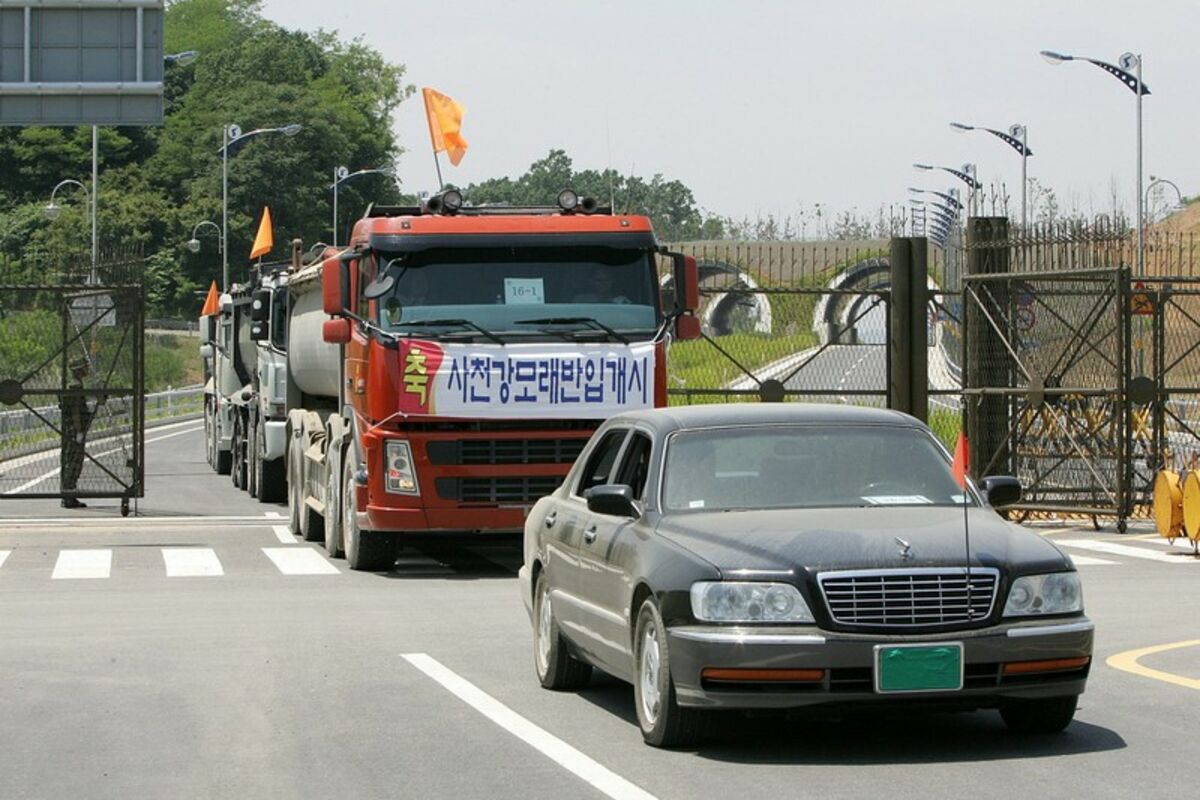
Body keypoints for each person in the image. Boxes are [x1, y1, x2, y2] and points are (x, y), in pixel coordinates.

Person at [59, 358, 96, 508]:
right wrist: (79, 430)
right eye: (85, 367)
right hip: (73, 430)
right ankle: (68, 495)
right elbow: (75, 410)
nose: (87, 369)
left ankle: (69, 494)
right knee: (73, 462)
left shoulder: (72, 384)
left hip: (70, 429)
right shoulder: (75, 386)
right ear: (79, 370)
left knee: (70, 461)